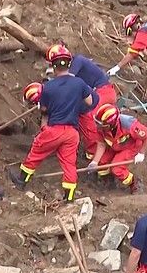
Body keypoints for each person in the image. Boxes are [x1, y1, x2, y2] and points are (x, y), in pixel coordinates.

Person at [10, 45, 94, 202]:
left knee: (36, 153)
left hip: (55, 129)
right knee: (69, 164)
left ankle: (21, 181)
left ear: (53, 66)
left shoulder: (48, 88)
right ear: (69, 63)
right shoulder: (79, 83)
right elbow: (89, 102)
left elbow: (44, 110)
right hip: (72, 132)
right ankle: (69, 197)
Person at [46, 44, 117, 161]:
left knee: (88, 114)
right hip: (95, 93)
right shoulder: (71, 66)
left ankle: (94, 151)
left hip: (104, 92)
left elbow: (67, 82)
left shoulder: (78, 61)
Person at [87, 104, 147, 193]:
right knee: (102, 162)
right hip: (115, 145)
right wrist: (95, 162)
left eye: (101, 125)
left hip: (130, 147)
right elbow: (101, 144)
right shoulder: (102, 127)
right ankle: (108, 181)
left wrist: (141, 153)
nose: (97, 126)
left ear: (111, 124)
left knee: (117, 169)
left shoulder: (130, 125)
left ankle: (134, 183)